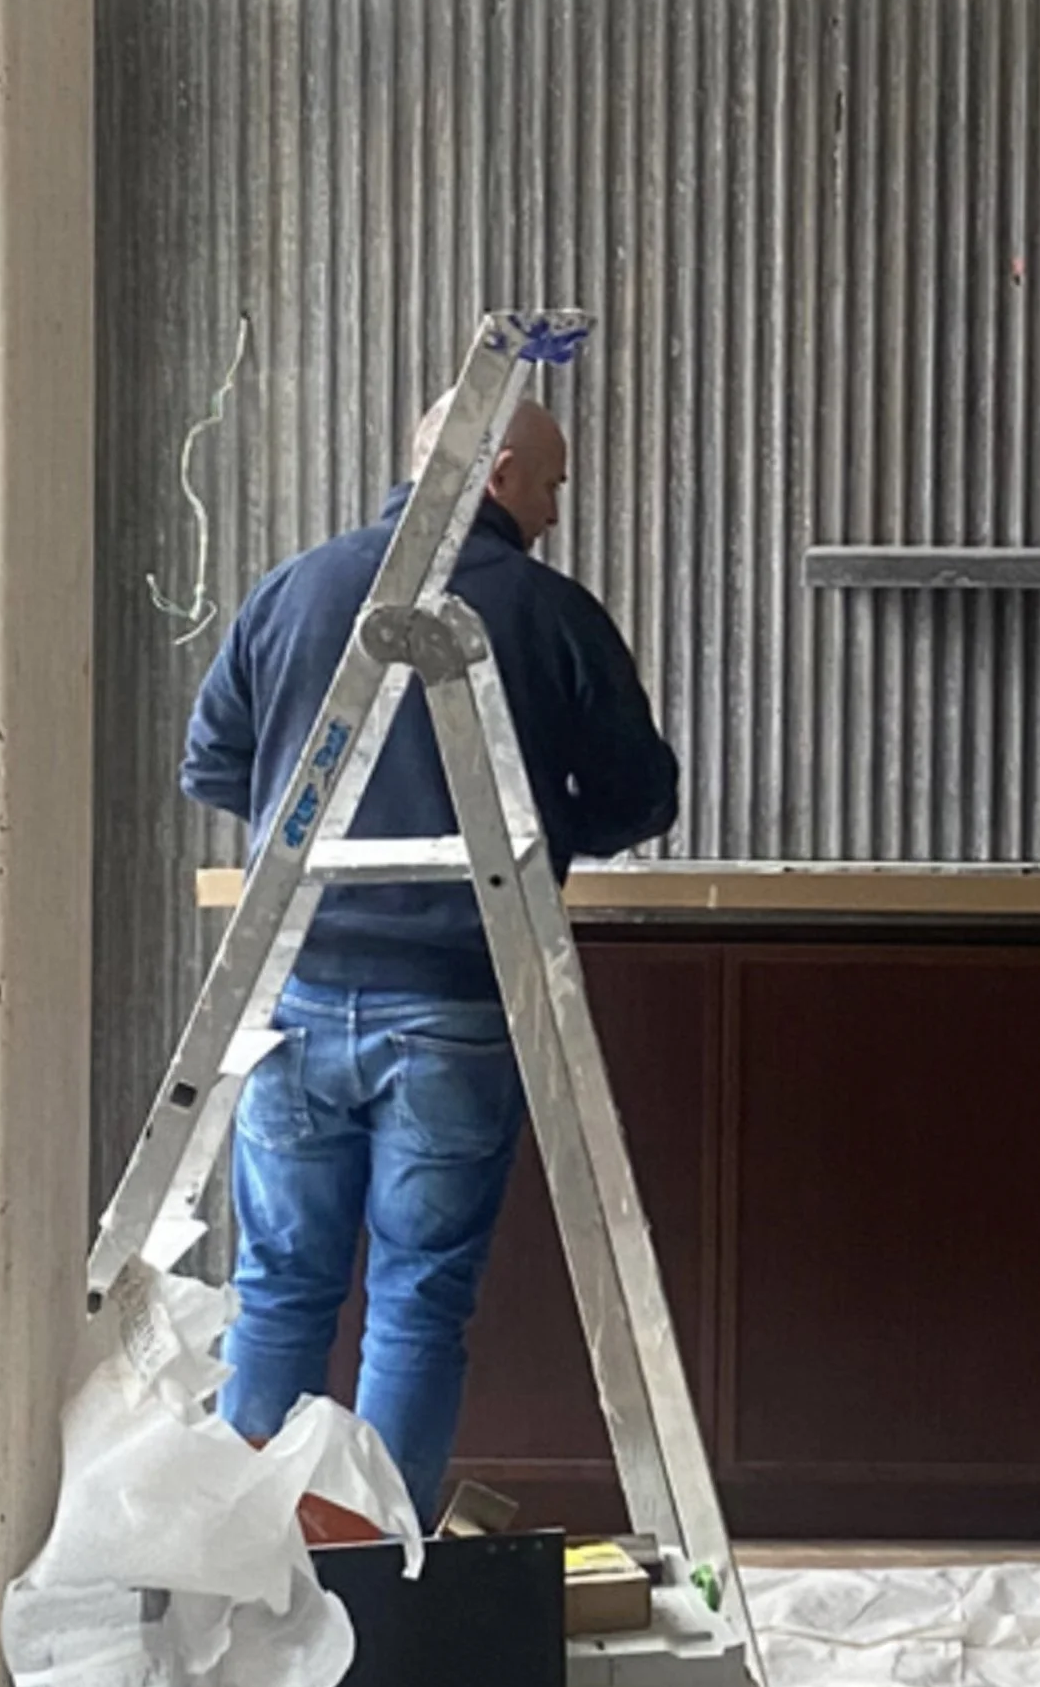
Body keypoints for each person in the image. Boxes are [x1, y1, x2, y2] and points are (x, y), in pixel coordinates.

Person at [181, 385, 678, 1519]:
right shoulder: (548, 614)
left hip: (290, 995)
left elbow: (213, 763)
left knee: (277, 1286)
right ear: (498, 470)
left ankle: (241, 1576)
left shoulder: (296, 587)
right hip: (456, 1004)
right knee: (415, 1298)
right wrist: (540, 828)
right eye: (550, 481)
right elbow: (642, 794)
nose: (554, 510)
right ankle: (372, 1574)